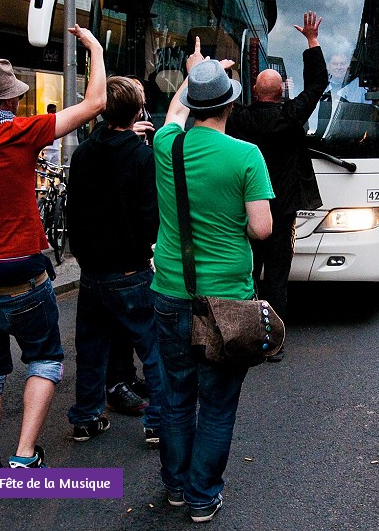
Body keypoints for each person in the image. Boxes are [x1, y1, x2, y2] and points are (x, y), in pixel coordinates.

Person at [0, 27, 107, 469]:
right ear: (9, 102)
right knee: (44, 360)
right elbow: (95, 104)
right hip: (23, 279)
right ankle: (24, 455)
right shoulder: (22, 133)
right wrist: (96, 50)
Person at [151, 39, 273, 522]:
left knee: (176, 398)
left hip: (171, 293)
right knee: (218, 406)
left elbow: (173, 112)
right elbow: (262, 228)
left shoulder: (167, 146)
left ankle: (177, 487)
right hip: (228, 300)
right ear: (230, 104)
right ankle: (203, 497)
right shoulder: (246, 155)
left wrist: (192, 72)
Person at [65, 75, 164, 446]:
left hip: (91, 269)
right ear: (138, 111)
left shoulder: (84, 153)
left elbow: (73, 212)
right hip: (129, 266)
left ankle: (86, 417)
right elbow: (148, 216)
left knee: (91, 349)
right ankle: (156, 422)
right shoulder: (142, 155)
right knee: (152, 348)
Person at [227, 11, 325, 349]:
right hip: (282, 211)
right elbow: (317, 84)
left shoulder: (237, 119)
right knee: (277, 278)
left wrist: (219, 73)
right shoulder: (290, 117)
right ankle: (274, 342)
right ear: (282, 91)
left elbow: (213, 105)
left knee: (249, 273)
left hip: (245, 209)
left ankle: (248, 336)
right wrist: (311, 40)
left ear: (253, 90)